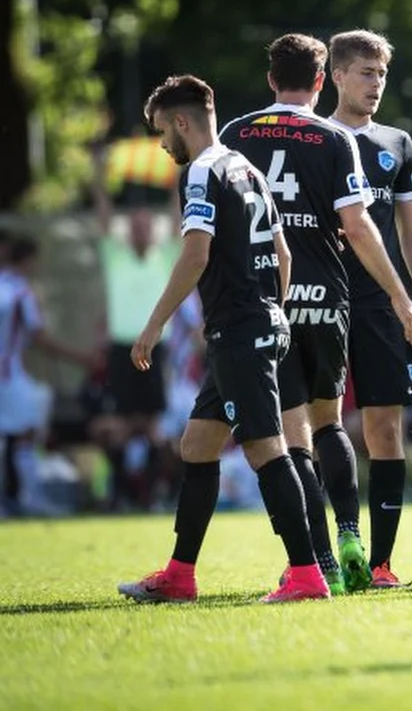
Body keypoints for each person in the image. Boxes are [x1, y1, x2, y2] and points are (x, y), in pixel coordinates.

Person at [219, 34, 412, 594]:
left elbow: (216, 225)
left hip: (268, 302)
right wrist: (402, 297)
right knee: (331, 421)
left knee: (292, 436)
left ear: (269, 81)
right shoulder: (335, 137)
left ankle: (320, 561)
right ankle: (353, 534)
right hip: (329, 297)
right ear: (320, 81)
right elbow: (357, 227)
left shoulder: (236, 135)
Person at [117, 74, 327, 603]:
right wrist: (273, 311)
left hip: (240, 332)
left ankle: (306, 575)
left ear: (183, 122)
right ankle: (180, 575)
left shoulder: (201, 173)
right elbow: (283, 254)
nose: (164, 144)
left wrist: (154, 323)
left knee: (264, 450)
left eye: (164, 131)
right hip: (255, 326)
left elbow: (195, 254)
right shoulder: (248, 169)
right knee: (198, 444)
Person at [326, 29, 412, 588]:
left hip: (381, 304)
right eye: (365, 73)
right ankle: (323, 554)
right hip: (320, 295)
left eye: (382, 74)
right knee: (316, 426)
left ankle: (380, 565)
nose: (376, 84)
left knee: (385, 429)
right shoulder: (313, 138)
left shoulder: (397, 143)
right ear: (336, 75)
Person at [92, 178, 178, 510]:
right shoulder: (115, 256)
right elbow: (102, 217)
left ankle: (155, 493)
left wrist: (176, 182)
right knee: (123, 426)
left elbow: (176, 218)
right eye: (135, 225)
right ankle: (123, 493)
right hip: (122, 349)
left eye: (145, 225)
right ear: (127, 230)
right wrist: (99, 174)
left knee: (154, 426)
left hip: (157, 349)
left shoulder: (165, 255)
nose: (141, 230)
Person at [0, 236, 96, 516]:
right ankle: (28, 498)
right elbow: (39, 336)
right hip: (8, 374)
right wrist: (80, 357)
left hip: (10, 372)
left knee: (14, 434)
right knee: (28, 432)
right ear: (29, 260)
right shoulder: (21, 293)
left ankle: (17, 498)